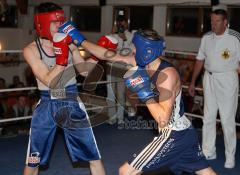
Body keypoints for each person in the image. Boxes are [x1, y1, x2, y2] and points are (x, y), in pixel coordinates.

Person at [61, 23, 217, 174]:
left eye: (136, 47)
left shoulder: (168, 75)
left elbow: (163, 119)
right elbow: (106, 55)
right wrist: (79, 39)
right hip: (185, 132)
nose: (133, 50)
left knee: (125, 171)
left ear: (146, 50)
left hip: (174, 134)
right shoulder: (141, 63)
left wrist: (144, 91)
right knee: (205, 172)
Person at [22, 2, 105, 175]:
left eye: (61, 21)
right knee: (33, 161)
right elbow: (48, 80)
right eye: (55, 22)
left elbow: (83, 71)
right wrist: (61, 59)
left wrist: (99, 54)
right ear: (42, 23)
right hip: (47, 105)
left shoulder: (68, 43)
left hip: (71, 102)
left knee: (93, 157)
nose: (60, 25)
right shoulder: (31, 50)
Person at [188, 4, 239, 169]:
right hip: (209, 79)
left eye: (217, 21)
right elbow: (200, 60)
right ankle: (208, 150)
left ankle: (230, 156)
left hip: (228, 80)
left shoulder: (235, 38)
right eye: (212, 21)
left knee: (227, 120)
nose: (213, 24)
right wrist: (193, 81)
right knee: (208, 118)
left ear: (226, 22)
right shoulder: (206, 38)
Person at [106, 15, 135, 124]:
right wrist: (112, 33)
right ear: (116, 24)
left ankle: (120, 118)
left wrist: (124, 39)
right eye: (119, 23)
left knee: (121, 95)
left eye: (123, 23)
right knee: (110, 95)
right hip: (111, 67)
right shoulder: (111, 35)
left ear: (126, 24)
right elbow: (108, 50)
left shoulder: (130, 36)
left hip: (122, 69)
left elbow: (128, 51)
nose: (121, 25)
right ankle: (112, 117)